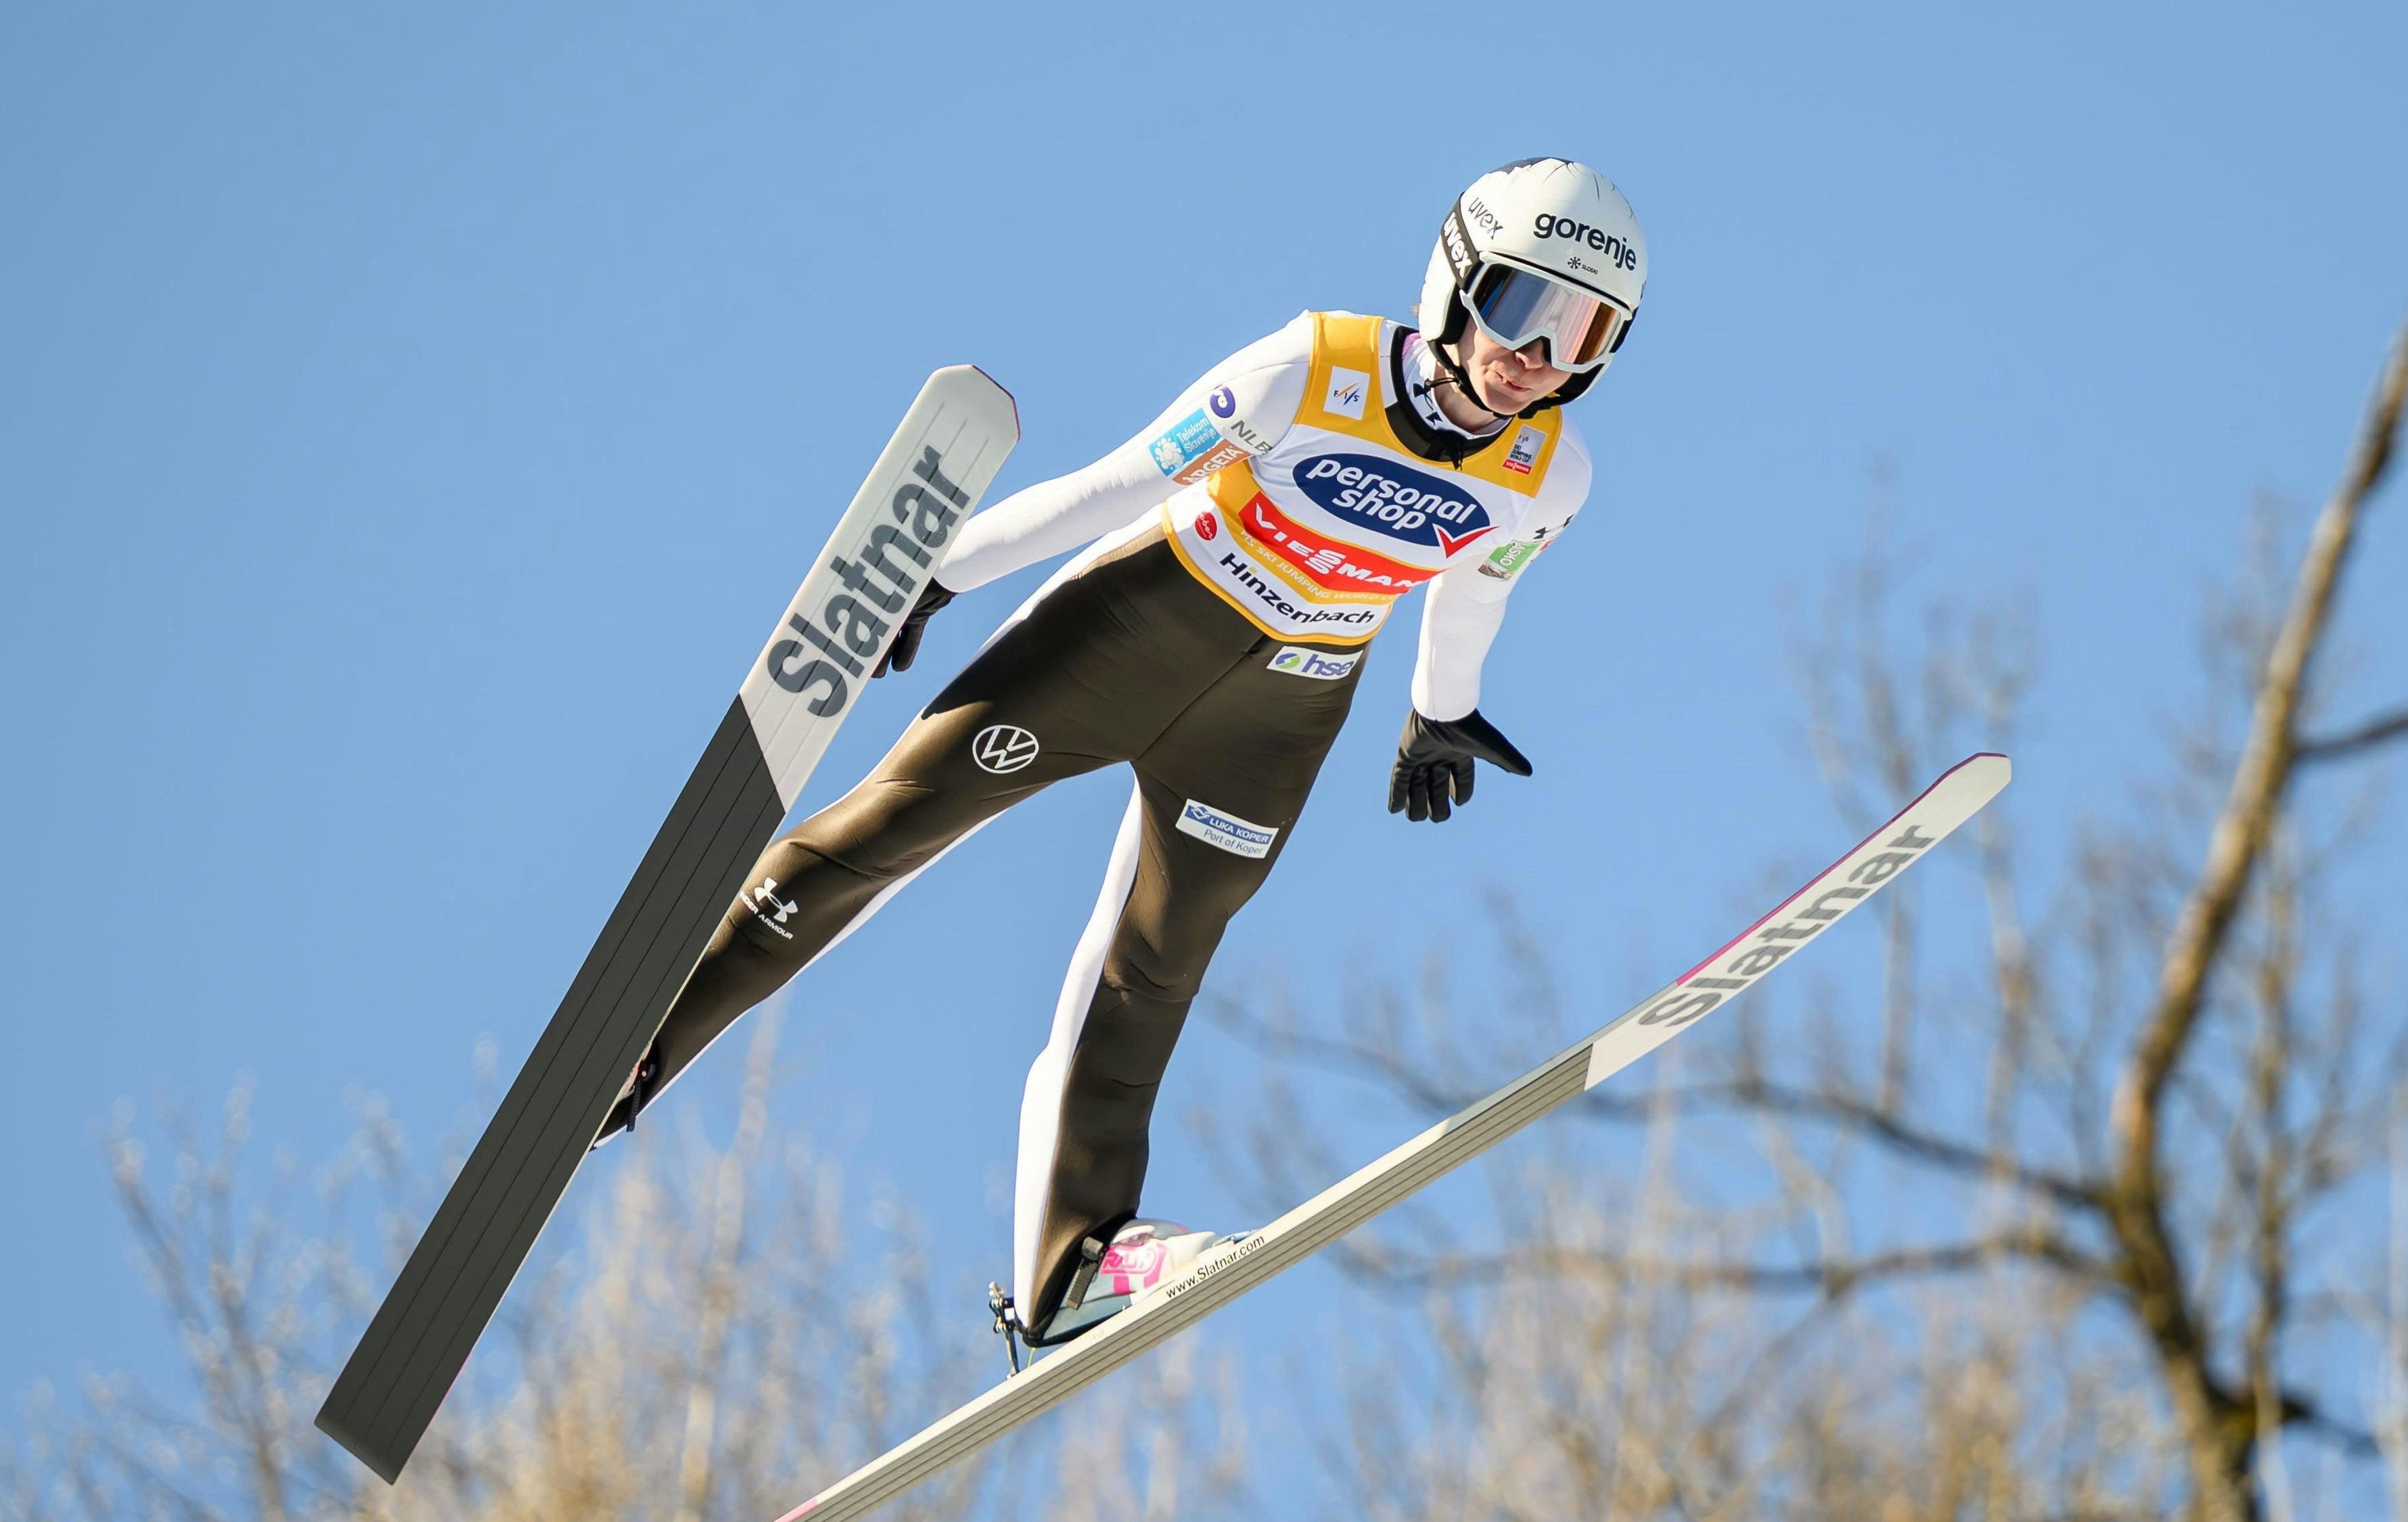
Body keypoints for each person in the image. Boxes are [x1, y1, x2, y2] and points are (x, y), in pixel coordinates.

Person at [597, 156, 1648, 1348]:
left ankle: (1074, 1262)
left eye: (1586, 335)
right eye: (1524, 310)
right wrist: (938, 571)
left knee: (1156, 969)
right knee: (901, 822)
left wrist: (1440, 707)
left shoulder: (1548, 473)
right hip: (1137, 627)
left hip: (1281, 713)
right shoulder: (1315, 366)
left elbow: (1470, 593)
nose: (1542, 359)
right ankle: (644, 1037)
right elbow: (1112, 487)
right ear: (1456, 281)